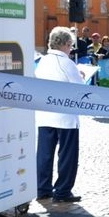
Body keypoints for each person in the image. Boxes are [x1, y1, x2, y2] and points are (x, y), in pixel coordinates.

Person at [35, 27, 85, 203]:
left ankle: (42, 188)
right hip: (65, 117)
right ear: (64, 44)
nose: (71, 48)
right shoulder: (67, 63)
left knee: (44, 154)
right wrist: (82, 76)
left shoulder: (43, 61)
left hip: (44, 114)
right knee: (67, 156)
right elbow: (79, 90)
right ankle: (62, 191)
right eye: (70, 45)